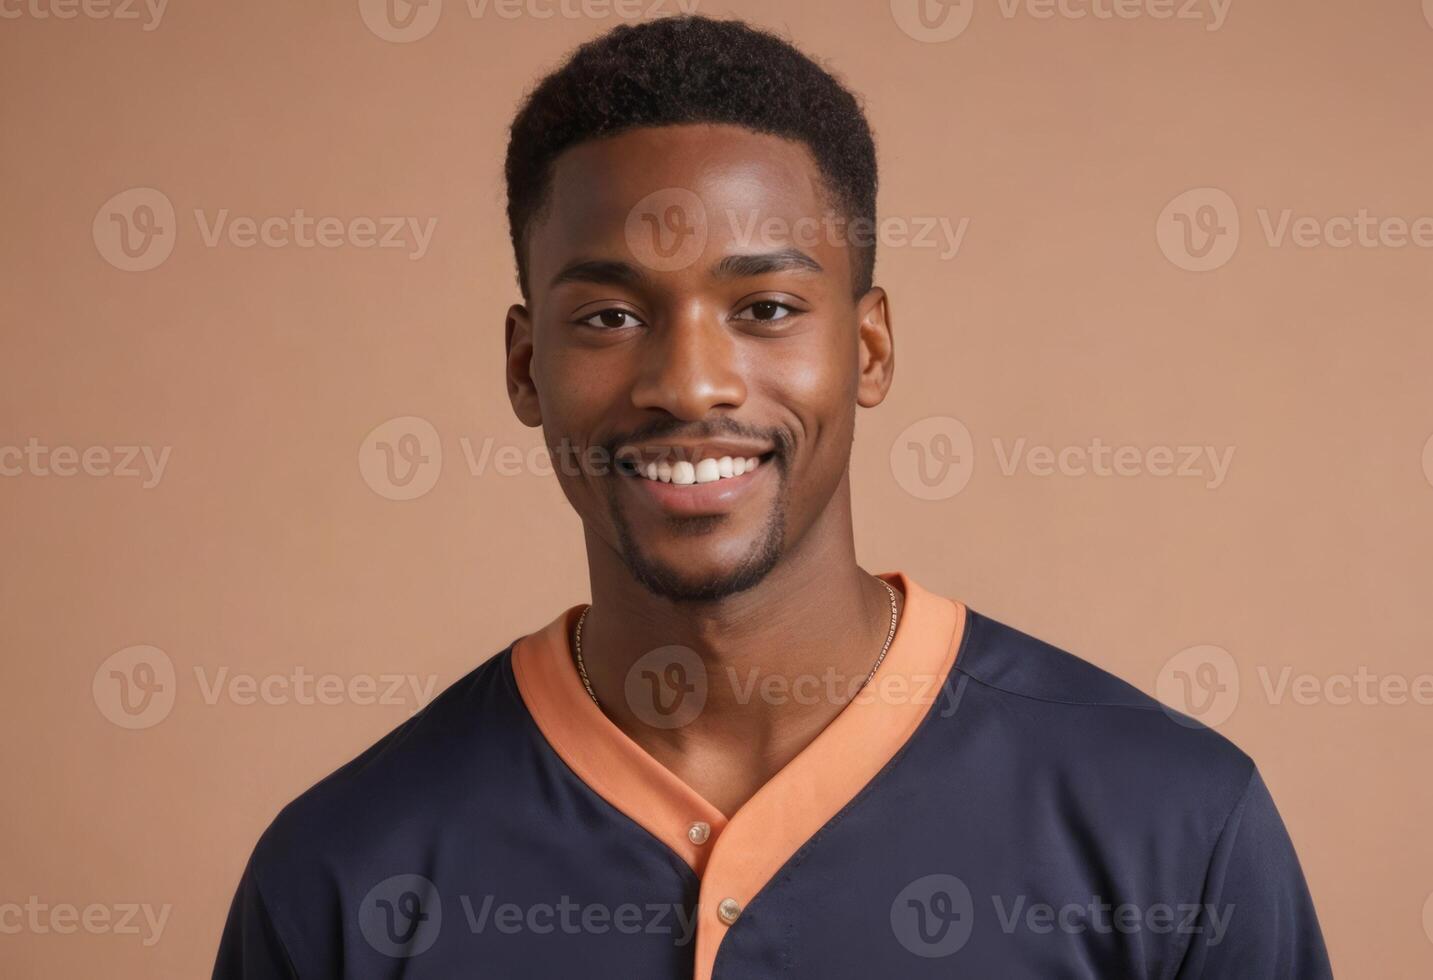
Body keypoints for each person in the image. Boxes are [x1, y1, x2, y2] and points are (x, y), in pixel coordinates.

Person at [213, 15, 1332, 978]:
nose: (688, 383)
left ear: (871, 347)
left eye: (766, 308)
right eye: (609, 315)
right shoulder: (342, 870)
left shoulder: (1172, 824)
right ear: (522, 367)